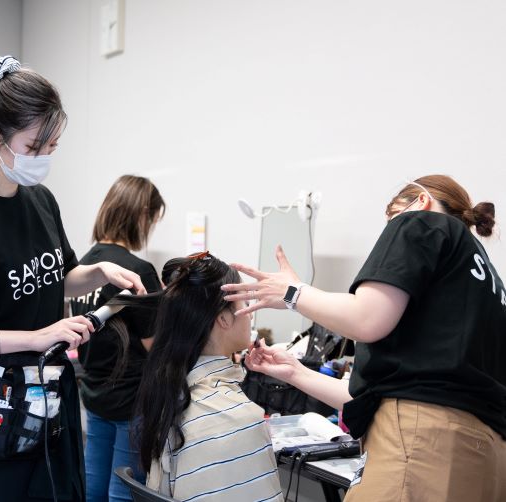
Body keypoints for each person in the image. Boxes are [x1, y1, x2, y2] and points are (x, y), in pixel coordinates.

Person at [0, 55, 145, 502]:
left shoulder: (40, 201)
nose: (45, 157)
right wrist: (33, 338)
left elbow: (52, 277)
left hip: (46, 406)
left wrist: (95, 272)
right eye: (36, 146)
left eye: (53, 146)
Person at [222, 175, 506, 502]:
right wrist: (296, 373)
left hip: (423, 445)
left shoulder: (420, 221)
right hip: (483, 460)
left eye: (390, 220)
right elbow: (386, 393)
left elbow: (366, 319)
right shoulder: (486, 283)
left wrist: (291, 294)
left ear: (421, 201)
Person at [108, 252, 284, 502]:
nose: (251, 313)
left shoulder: (170, 392)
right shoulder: (241, 419)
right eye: (245, 303)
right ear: (223, 319)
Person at [69, 175, 165, 502]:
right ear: (141, 216)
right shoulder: (138, 271)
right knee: (124, 492)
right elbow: (156, 346)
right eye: (152, 220)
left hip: (95, 393)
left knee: (94, 487)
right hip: (131, 400)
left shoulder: (83, 265)